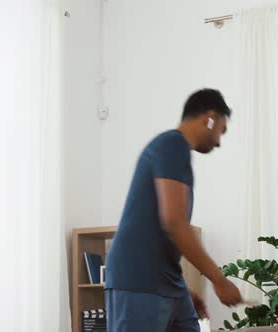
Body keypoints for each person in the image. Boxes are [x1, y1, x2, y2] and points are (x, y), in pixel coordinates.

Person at [104, 88, 243, 332]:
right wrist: (219, 280)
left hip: (167, 282)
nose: (219, 142)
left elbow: (162, 228)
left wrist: (182, 291)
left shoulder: (175, 151)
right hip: (138, 279)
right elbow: (174, 222)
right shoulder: (172, 145)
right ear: (210, 117)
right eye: (222, 129)